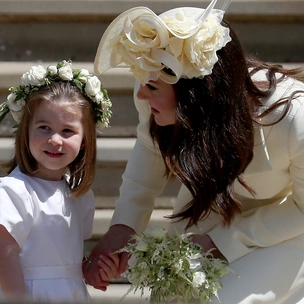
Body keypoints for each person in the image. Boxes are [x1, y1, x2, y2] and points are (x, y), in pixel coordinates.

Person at [84, 0, 304, 302]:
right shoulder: (155, 95)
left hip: (286, 225)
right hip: (212, 203)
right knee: (173, 296)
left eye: (151, 86)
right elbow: (148, 155)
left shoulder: (293, 120)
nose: (140, 94)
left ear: (196, 94)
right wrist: (122, 229)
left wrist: (222, 241)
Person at [0, 60, 113, 303]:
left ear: (85, 140)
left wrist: (88, 269)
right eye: (44, 127)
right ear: (26, 131)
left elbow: (60, 260)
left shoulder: (77, 194)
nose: (55, 139)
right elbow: (3, 258)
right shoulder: (14, 191)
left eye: (67, 131)